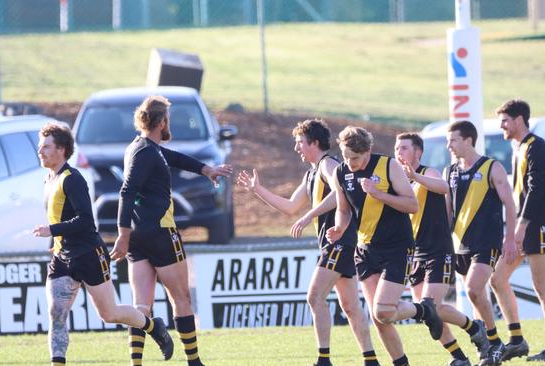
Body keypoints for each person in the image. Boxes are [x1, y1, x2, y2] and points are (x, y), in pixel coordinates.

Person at [237, 119, 379, 366]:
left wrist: (309, 215)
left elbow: (340, 192)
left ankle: (323, 360)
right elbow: (291, 207)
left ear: (314, 143)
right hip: (334, 243)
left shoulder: (328, 164)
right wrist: (258, 190)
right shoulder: (311, 173)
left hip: (341, 240)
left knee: (314, 297)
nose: (297, 148)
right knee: (350, 306)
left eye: (300, 142)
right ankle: (371, 359)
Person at [33, 123, 173, 366]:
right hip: (62, 257)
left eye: (46, 146)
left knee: (109, 314)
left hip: (88, 254)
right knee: (56, 315)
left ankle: (153, 326)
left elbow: (86, 221)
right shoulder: (48, 179)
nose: (40, 151)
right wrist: (56, 240)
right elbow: (59, 216)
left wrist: (51, 230)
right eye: (40, 146)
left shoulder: (73, 179)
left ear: (62, 149)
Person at [111, 95, 232, 366]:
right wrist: (122, 233)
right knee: (181, 297)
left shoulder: (139, 147)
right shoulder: (146, 152)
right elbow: (127, 191)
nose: (169, 124)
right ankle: (194, 362)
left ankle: (136, 363)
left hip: (138, 237)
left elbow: (173, 157)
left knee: (141, 305)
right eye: (168, 119)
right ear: (161, 121)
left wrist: (206, 170)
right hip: (161, 233)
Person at [326, 126, 443, 366]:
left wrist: (380, 194)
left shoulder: (389, 166)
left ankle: (423, 310)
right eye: (346, 157)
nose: (349, 163)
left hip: (396, 248)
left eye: (355, 158)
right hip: (365, 249)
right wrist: (339, 227)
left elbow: (412, 205)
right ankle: (402, 361)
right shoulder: (340, 173)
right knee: (379, 318)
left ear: (367, 152)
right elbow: (343, 209)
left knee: (382, 310)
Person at [395, 132, 490, 366]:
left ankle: (474, 329)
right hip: (414, 254)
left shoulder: (427, 173)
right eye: (397, 149)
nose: (399, 153)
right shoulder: (398, 181)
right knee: (429, 313)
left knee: (431, 306)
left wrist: (416, 176)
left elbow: (443, 187)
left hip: (438, 251)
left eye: (404, 148)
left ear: (418, 152)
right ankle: (461, 352)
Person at [489, 99, 545, 362]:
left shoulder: (538, 147)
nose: (502, 126)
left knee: (542, 285)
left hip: (539, 226)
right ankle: (517, 340)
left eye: (505, 121)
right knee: (498, 279)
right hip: (523, 227)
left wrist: (520, 227)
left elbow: (536, 189)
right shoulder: (518, 147)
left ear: (519, 120)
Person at [444, 120, 518, 366]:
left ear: (468, 140)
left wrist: (510, 238)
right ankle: (488, 347)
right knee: (476, 296)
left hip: (488, 242)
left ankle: (495, 343)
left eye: (453, 140)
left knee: (475, 289)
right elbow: (448, 211)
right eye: (448, 140)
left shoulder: (491, 167)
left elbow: (509, 203)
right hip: (460, 244)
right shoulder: (450, 171)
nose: (449, 145)